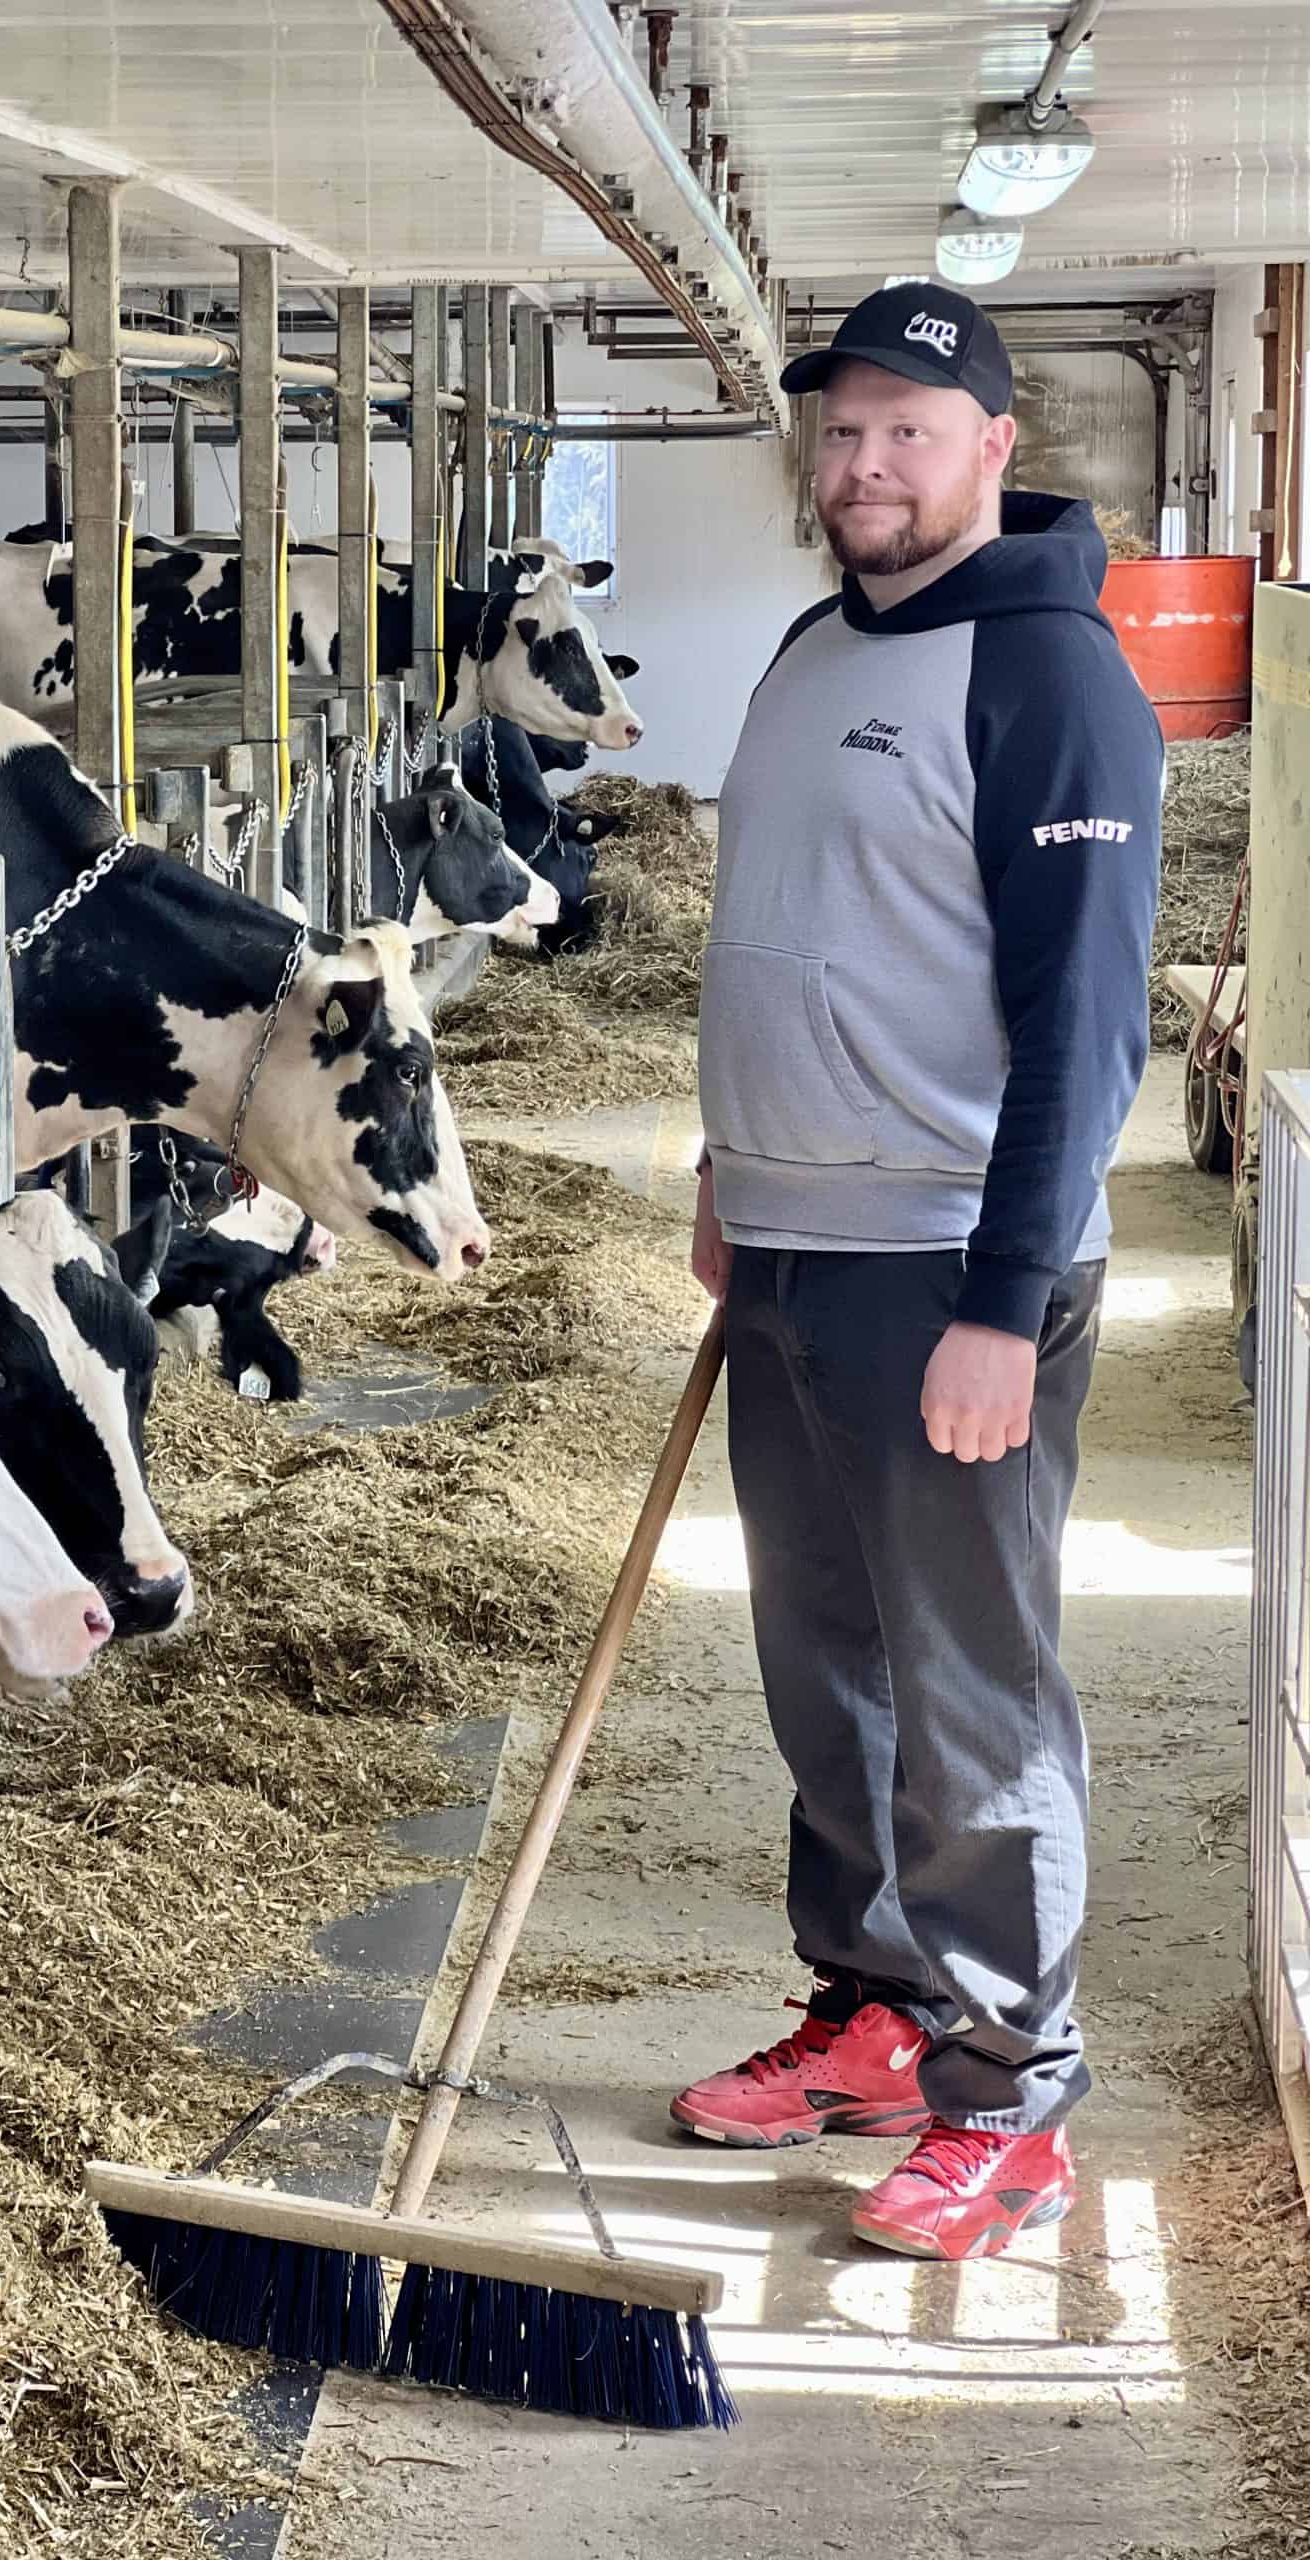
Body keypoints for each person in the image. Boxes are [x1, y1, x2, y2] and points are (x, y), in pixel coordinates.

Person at [672, 282, 1162, 2261]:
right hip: (794, 1246)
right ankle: (874, 2009)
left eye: (908, 430)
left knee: (973, 1691)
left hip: (951, 1270)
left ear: (992, 445)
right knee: (826, 1666)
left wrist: (1002, 1300)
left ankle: (1011, 2096)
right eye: (845, 427)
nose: (865, 463)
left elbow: (1088, 1027)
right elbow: (786, 927)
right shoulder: (812, 647)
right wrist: (730, 1167)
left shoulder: (1053, 678)